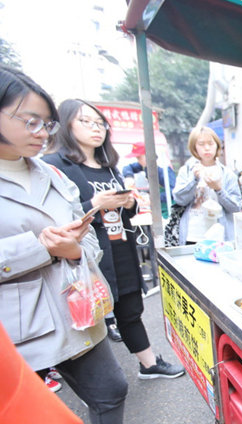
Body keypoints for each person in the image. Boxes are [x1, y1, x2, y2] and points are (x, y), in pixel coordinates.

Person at [0, 64, 165, 424]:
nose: (42, 132)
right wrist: (40, 248)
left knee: (111, 388)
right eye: (30, 121)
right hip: (14, 327)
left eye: (47, 122)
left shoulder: (51, 173)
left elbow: (88, 238)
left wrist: (75, 250)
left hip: (75, 308)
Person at [43, 98, 185, 380]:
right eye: (86, 121)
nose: (97, 129)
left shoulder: (109, 165)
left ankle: (148, 365)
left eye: (100, 123)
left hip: (120, 247)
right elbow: (54, 220)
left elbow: (122, 212)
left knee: (130, 309)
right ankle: (94, 382)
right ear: (66, 124)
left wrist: (128, 204)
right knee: (88, 318)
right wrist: (94, 203)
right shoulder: (54, 166)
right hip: (86, 255)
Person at [171, 126, 241, 245]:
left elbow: (236, 207)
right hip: (192, 235)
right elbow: (179, 200)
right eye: (201, 144)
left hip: (220, 237)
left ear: (217, 146)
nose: (207, 148)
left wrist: (219, 189)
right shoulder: (187, 171)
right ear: (194, 147)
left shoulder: (228, 174)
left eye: (210, 143)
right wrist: (194, 180)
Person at [122, 141, 176, 219]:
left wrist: (153, 199)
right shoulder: (146, 165)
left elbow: (173, 192)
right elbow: (128, 168)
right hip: (157, 209)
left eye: (139, 158)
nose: (138, 161)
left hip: (168, 210)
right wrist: (129, 177)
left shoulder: (163, 170)